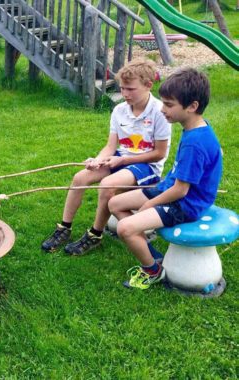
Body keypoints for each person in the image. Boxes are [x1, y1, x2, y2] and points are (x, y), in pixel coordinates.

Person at [41, 59, 171, 256]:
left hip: (146, 166)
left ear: (148, 86)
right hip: (121, 158)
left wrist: (123, 161)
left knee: (107, 184)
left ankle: (95, 234)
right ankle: (64, 228)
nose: (125, 94)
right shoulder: (119, 110)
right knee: (80, 178)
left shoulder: (160, 112)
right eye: (122, 88)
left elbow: (159, 154)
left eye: (130, 89)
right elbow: (111, 147)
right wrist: (98, 160)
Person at [109, 68, 222, 289]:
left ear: (192, 106)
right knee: (115, 202)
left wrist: (149, 205)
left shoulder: (195, 143)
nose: (162, 109)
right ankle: (152, 251)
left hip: (185, 204)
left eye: (169, 105)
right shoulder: (194, 128)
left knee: (124, 229)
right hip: (168, 189)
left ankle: (153, 270)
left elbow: (181, 191)